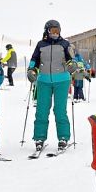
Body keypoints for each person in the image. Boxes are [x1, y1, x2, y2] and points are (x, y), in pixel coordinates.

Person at [27, 20, 77, 152]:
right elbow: (34, 60)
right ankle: (39, 138)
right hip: (43, 81)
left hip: (62, 80)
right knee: (42, 110)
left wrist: (73, 65)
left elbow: (71, 59)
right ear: (47, 31)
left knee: (60, 110)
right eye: (53, 30)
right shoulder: (40, 45)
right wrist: (31, 70)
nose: (55, 33)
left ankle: (63, 137)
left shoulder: (65, 44)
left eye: (57, 30)